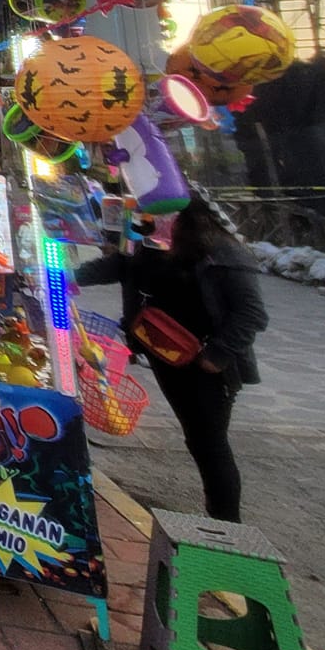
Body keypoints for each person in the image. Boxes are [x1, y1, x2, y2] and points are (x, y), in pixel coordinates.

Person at [76, 202, 268, 521]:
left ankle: (228, 526)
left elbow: (252, 314)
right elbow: (119, 267)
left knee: (210, 443)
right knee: (197, 439)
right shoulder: (150, 242)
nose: (149, 219)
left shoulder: (222, 252)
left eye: (161, 214)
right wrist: (64, 274)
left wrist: (215, 357)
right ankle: (221, 519)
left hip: (207, 368)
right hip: (167, 357)